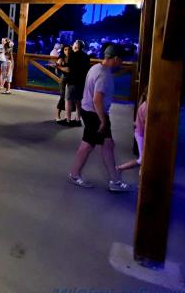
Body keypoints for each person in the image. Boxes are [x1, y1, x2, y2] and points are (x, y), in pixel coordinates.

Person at [67, 45, 130, 192]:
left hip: (91, 111)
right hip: (95, 114)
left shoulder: (96, 67)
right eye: (121, 59)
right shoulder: (104, 75)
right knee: (88, 145)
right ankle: (75, 175)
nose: (122, 63)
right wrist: (102, 119)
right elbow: (97, 99)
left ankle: (115, 180)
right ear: (115, 58)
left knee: (108, 144)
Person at [60, 40, 90, 127]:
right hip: (82, 81)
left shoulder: (72, 55)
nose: (72, 46)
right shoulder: (86, 56)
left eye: (73, 45)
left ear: (76, 46)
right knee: (78, 101)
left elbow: (68, 69)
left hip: (72, 81)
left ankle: (68, 120)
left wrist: (58, 66)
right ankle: (78, 120)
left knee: (68, 100)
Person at [117, 90, 148, 171]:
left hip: (139, 133)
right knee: (141, 160)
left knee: (144, 158)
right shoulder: (146, 107)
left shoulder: (145, 104)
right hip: (140, 135)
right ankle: (120, 168)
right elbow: (146, 126)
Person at [55, 45, 71, 123]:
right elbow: (58, 71)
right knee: (62, 96)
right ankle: (57, 115)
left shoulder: (73, 58)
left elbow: (69, 69)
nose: (67, 51)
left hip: (71, 79)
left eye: (69, 49)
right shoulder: (61, 58)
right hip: (63, 79)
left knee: (70, 97)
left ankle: (67, 116)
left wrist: (60, 67)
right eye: (65, 49)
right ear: (63, 51)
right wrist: (58, 67)